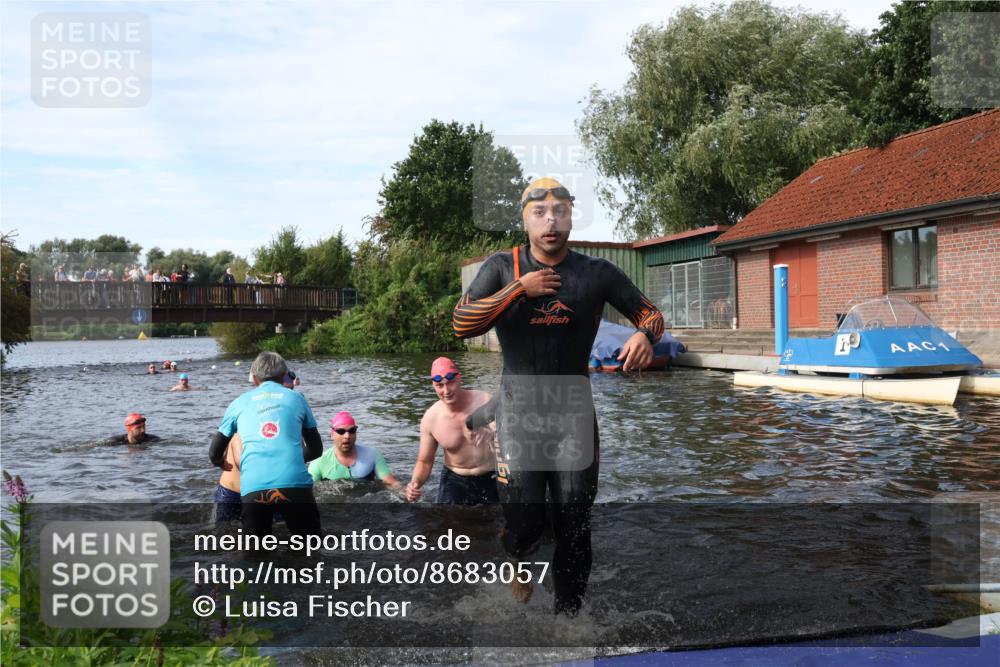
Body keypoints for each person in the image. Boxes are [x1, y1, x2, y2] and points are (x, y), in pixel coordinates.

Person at [452, 177, 664, 614]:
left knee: (574, 522)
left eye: (560, 211)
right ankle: (518, 558)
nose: (551, 221)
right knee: (525, 522)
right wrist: (517, 290)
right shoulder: (501, 266)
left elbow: (652, 313)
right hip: (518, 412)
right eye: (540, 212)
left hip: (573, 414)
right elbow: (461, 323)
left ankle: (569, 620)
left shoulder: (596, 273)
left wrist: (645, 335)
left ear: (571, 215)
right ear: (525, 219)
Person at [208, 352, 323, 537]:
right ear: (284, 374)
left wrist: (220, 462)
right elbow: (316, 449)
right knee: (309, 547)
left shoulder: (238, 403)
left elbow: (214, 453)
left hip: (254, 487)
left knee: (255, 553)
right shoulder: (298, 399)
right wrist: (290, 456)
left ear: (254, 378)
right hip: (294, 484)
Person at [405, 358, 498, 505]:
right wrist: (415, 483)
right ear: (433, 385)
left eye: (450, 383)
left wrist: (492, 431)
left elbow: (506, 431)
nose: (446, 391)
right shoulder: (431, 418)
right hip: (455, 480)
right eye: (439, 385)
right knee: (447, 525)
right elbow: (425, 461)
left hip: (491, 475)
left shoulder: (483, 400)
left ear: (459, 378)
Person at [215, 371, 299, 523]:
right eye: (283, 392)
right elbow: (244, 460)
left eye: (290, 392)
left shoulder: (290, 418)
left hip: (271, 491)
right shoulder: (250, 412)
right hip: (235, 494)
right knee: (225, 540)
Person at [308, 412, 402, 491]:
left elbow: (390, 482)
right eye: (341, 431)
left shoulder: (372, 455)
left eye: (352, 430)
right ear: (332, 434)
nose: (347, 436)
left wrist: (405, 492)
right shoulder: (318, 464)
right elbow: (308, 494)